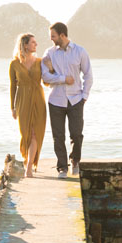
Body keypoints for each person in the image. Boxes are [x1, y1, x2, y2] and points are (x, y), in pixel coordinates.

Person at [41, 22, 93, 177]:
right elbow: (45, 76)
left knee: (76, 134)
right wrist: (63, 79)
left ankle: (75, 161)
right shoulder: (49, 53)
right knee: (58, 136)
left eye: (53, 36)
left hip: (76, 99)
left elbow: (88, 75)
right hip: (55, 100)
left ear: (62, 35)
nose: (51, 39)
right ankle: (62, 167)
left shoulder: (80, 51)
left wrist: (84, 96)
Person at [9, 33, 47, 178]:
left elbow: (48, 81)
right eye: (33, 42)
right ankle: (27, 160)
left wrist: (52, 69)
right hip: (23, 100)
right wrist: (12, 107)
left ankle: (29, 167)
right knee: (25, 133)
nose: (36, 45)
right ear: (25, 45)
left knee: (35, 132)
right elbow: (13, 86)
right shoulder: (14, 64)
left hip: (38, 99)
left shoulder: (40, 61)